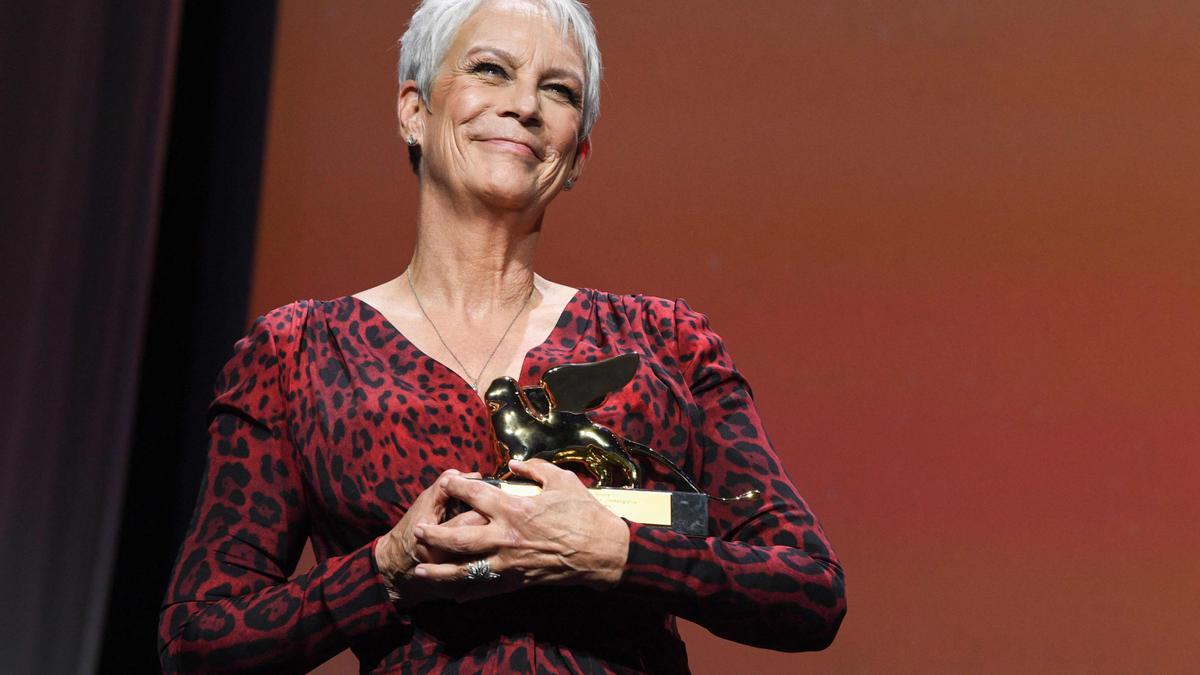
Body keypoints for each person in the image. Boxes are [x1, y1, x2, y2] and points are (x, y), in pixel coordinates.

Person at [158, 0, 846, 672]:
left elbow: (809, 588)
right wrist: (386, 568)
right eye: (490, 70)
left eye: (558, 90)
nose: (524, 104)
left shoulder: (666, 343)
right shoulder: (298, 353)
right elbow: (197, 638)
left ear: (577, 153)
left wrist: (617, 552)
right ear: (413, 111)